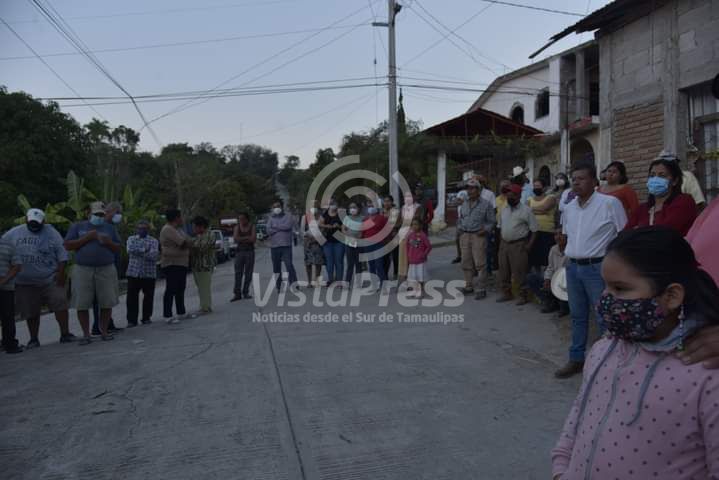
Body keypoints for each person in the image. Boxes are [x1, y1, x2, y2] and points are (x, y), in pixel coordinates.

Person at [551, 227, 719, 480]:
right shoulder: (603, 350)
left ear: (671, 296)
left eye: (620, 289)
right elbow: (579, 413)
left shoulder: (707, 374)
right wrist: (561, 468)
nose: (605, 299)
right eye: (606, 287)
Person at [555, 163, 627, 379]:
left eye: (581, 178)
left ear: (595, 182)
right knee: (577, 316)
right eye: (573, 179)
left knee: (604, 316)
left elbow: (623, 234)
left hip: (598, 267)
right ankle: (576, 358)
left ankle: (611, 361)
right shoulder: (569, 207)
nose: (576, 182)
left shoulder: (610, 203)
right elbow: (566, 236)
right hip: (574, 266)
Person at [2, 209, 75, 348]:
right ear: (26, 220)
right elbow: (3, 245)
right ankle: (33, 339)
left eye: (37, 224)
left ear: (44, 222)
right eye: (32, 223)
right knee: (30, 311)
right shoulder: (14, 232)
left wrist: (60, 273)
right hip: (24, 282)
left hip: (49, 278)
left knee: (60, 302)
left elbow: (62, 254)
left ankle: (65, 334)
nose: (34, 226)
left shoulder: (52, 232)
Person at [64, 202, 122, 343]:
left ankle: (103, 331)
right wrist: (87, 238)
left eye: (101, 214)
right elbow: (67, 245)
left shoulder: (109, 228)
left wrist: (108, 242)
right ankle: (86, 334)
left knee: (106, 301)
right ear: (88, 214)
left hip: (106, 268)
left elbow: (118, 248)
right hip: (82, 269)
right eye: (96, 214)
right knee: (82, 302)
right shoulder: (78, 226)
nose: (99, 217)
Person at [625, 157, 697, 236]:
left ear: (675, 181)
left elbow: (665, 232)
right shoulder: (642, 209)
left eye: (662, 176)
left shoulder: (684, 201)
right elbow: (624, 235)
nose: (655, 179)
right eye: (652, 175)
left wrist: (638, 232)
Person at [496, 184, 538, 305]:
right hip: (504, 244)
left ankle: (523, 295)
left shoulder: (526, 210)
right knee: (503, 271)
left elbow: (535, 230)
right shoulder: (504, 209)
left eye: (512, 195)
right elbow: (500, 227)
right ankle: (506, 293)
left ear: (519, 196)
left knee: (519, 272)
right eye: (508, 194)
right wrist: (500, 244)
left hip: (519, 244)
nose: (509, 197)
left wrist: (528, 246)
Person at [458, 179, 496, 300]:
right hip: (465, 235)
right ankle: (468, 286)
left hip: (478, 235)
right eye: (468, 188)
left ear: (478, 190)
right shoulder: (464, 203)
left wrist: (485, 230)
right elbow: (461, 218)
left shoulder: (486, 204)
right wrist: (460, 229)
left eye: (473, 188)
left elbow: (492, 221)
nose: (470, 190)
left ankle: (481, 288)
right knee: (465, 261)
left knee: (480, 263)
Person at [91, 201, 124, 335]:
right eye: (117, 213)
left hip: (111, 264)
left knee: (107, 297)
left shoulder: (111, 226)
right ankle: (98, 326)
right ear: (110, 212)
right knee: (100, 298)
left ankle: (107, 323)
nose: (119, 216)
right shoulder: (101, 226)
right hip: (102, 266)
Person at [526, 228, 569, 316]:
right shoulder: (553, 249)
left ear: (567, 236)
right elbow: (550, 267)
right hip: (554, 278)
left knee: (562, 281)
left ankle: (563, 306)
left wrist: (554, 280)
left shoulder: (571, 250)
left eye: (561, 234)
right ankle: (550, 302)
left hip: (565, 282)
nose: (558, 237)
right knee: (531, 278)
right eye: (556, 234)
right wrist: (547, 279)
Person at [159, 208, 191, 324]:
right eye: (180, 216)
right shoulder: (168, 229)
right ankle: (167, 315)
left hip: (181, 262)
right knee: (171, 288)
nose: (181, 219)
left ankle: (181, 312)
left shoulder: (178, 229)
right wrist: (185, 244)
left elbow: (188, 240)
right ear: (176, 218)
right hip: (171, 263)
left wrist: (186, 243)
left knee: (180, 288)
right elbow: (183, 243)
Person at [125, 220, 158, 327]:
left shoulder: (154, 241)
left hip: (148, 273)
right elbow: (130, 250)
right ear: (136, 229)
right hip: (133, 272)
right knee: (131, 298)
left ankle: (146, 318)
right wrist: (145, 250)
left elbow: (153, 256)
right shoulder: (131, 239)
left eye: (144, 228)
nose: (141, 230)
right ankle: (131, 320)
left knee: (148, 297)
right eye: (139, 228)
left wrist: (139, 251)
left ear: (148, 229)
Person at [268, 200, 298, 291]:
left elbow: (288, 226)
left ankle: (294, 284)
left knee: (289, 265)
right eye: (274, 207)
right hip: (274, 247)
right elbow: (268, 230)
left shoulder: (288, 217)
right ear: (273, 209)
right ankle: (278, 285)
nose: (276, 208)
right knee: (276, 268)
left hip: (286, 246)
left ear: (281, 207)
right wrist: (280, 228)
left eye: (278, 206)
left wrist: (275, 228)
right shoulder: (271, 218)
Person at [527, 178, 556, 271]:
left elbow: (545, 208)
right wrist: (539, 210)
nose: (536, 188)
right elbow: (527, 211)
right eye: (534, 186)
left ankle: (546, 277)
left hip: (547, 231)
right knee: (534, 256)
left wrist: (532, 210)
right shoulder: (530, 199)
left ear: (544, 188)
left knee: (546, 256)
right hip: (533, 231)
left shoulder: (551, 197)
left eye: (538, 186)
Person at [0, 235, 23, 353]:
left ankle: (10, 344)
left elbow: (17, 265)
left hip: (6, 287)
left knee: (7, 317)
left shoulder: (8, 244)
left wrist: (4, 280)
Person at [190, 216, 216, 315]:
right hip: (196, 265)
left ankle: (206, 307)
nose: (193, 229)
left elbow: (202, 247)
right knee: (200, 287)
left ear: (200, 226)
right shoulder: (197, 236)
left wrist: (190, 244)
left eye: (194, 227)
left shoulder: (210, 234)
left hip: (205, 265)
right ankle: (203, 305)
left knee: (204, 287)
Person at [362, 204, 388, 288]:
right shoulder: (365, 219)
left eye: (372, 205)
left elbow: (387, 229)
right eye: (369, 206)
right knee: (371, 264)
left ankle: (383, 283)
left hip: (379, 244)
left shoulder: (382, 218)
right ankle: (374, 284)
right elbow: (363, 232)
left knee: (379, 264)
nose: (371, 207)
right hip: (368, 244)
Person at [319, 202, 345, 285]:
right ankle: (330, 279)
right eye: (331, 204)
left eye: (334, 204)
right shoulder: (325, 214)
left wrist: (339, 226)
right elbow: (320, 224)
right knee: (329, 262)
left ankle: (339, 280)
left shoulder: (341, 214)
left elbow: (346, 226)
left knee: (339, 261)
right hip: (327, 241)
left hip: (339, 241)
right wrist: (328, 226)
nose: (333, 205)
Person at [232, 212, 256, 301]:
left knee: (248, 273)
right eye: (239, 219)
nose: (241, 221)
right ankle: (237, 293)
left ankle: (245, 292)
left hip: (249, 252)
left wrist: (241, 239)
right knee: (238, 273)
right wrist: (247, 238)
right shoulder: (237, 227)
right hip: (239, 252)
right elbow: (235, 239)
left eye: (242, 219)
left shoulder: (252, 226)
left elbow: (253, 239)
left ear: (247, 219)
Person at [406, 218, 432, 297]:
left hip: (420, 261)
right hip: (412, 261)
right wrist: (408, 255)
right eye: (413, 224)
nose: (414, 226)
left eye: (416, 224)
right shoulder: (410, 235)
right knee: (413, 277)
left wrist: (423, 255)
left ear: (420, 225)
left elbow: (429, 246)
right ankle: (414, 290)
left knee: (420, 277)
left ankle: (420, 291)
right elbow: (407, 246)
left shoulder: (423, 235)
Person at [301, 204, 324, 288]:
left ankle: (317, 281)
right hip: (308, 243)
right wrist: (307, 238)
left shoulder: (320, 218)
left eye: (315, 206)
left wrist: (315, 239)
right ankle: (309, 281)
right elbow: (302, 231)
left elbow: (322, 231)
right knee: (308, 263)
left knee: (318, 263)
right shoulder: (305, 218)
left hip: (317, 243)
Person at [343, 202, 363, 287]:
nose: (352, 209)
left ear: (358, 208)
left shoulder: (362, 218)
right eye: (351, 207)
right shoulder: (347, 218)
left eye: (354, 207)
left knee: (358, 264)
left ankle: (358, 283)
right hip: (349, 243)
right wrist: (349, 234)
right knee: (350, 264)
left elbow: (363, 230)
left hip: (359, 244)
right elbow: (343, 229)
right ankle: (347, 282)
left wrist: (359, 235)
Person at [382, 196, 401, 279]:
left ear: (392, 202)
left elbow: (400, 223)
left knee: (395, 256)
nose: (386, 203)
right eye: (385, 201)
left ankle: (396, 273)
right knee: (385, 257)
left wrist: (391, 227)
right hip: (384, 238)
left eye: (388, 201)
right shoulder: (381, 212)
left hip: (394, 236)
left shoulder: (396, 211)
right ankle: (384, 274)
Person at [452, 189, 468, 264]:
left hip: (466, 220)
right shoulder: (460, 192)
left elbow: (461, 201)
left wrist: (459, 201)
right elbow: (456, 202)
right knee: (457, 239)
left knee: (465, 241)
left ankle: (466, 257)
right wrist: (458, 201)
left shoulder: (466, 193)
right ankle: (459, 256)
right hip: (459, 220)